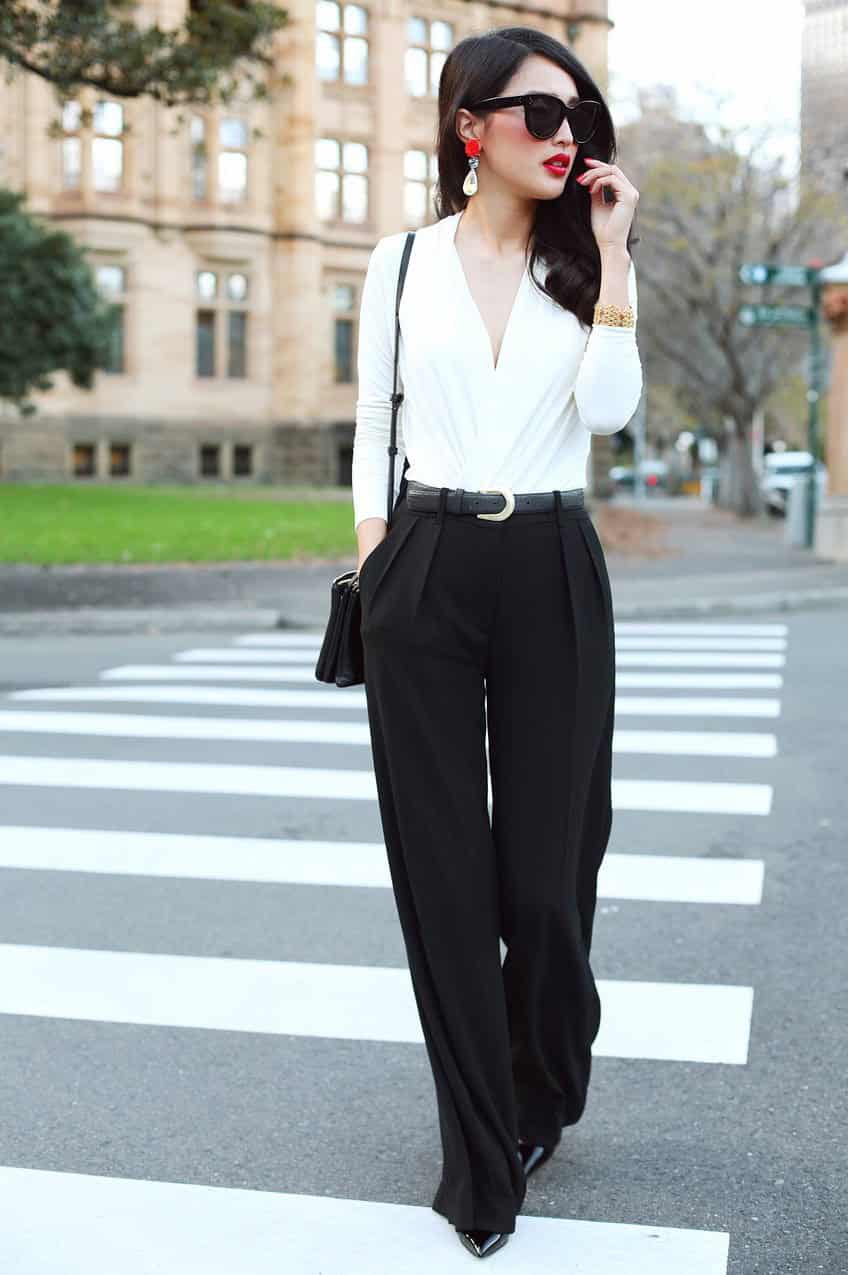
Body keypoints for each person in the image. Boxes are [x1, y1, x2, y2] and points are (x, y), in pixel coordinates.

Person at [351, 25, 642, 1261]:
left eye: (578, 115)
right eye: (538, 113)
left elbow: (612, 412)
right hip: (422, 561)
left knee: (544, 873)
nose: (564, 133)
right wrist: (376, 558)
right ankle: (480, 1146)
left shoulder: (585, 264)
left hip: (551, 566)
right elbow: (372, 417)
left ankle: (546, 1075)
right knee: (443, 879)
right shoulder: (400, 260)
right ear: (470, 126)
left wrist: (616, 256)